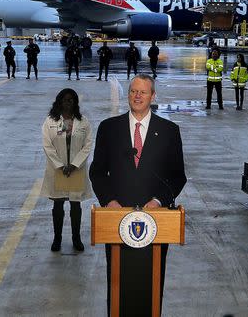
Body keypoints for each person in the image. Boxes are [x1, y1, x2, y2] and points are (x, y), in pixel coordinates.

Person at [89, 74, 186, 316]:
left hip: (156, 221)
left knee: (151, 281)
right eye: (133, 91)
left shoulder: (169, 130)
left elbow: (177, 176)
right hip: (116, 220)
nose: (137, 96)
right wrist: (109, 201)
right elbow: (98, 172)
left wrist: (158, 201)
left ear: (153, 96)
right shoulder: (109, 128)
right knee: (119, 281)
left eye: (143, 92)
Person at [41, 88, 93, 252]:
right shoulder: (50, 121)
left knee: (75, 205)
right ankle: (57, 238)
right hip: (58, 169)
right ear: (59, 102)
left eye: (71, 100)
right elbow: (47, 145)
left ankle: (76, 238)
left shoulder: (83, 121)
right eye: (65, 100)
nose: (68, 103)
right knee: (57, 204)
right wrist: (60, 165)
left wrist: (75, 164)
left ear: (75, 103)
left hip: (76, 169)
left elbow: (88, 145)